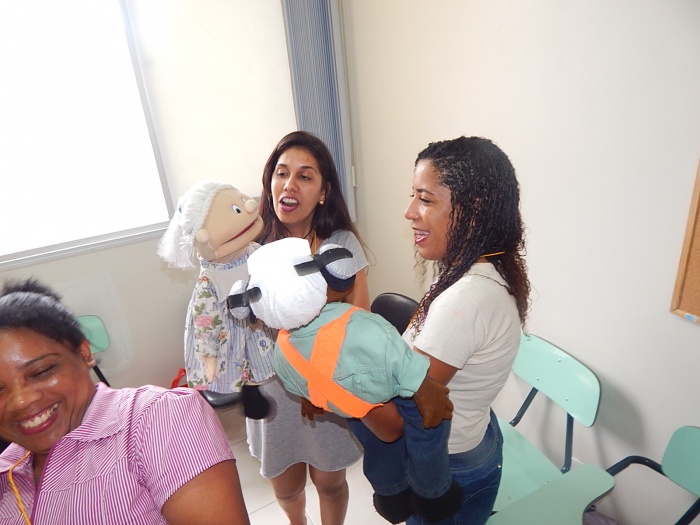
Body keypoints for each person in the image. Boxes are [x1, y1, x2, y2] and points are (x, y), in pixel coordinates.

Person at [0, 278, 251, 525]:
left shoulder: (158, 418)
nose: (20, 401)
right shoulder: (6, 471)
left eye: (42, 371)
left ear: (84, 353)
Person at [400, 136, 531, 524]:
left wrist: (337, 389)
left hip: (449, 463)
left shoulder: (466, 299)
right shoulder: (477, 268)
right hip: (474, 435)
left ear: (471, 211)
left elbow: (407, 407)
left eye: (425, 199)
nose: (409, 212)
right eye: (413, 196)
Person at [246, 130, 367, 525]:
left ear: (323, 192)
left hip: (326, 384)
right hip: (273, 389)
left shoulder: (339, 246)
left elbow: (359, 319)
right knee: (287, 488)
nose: (289, 185)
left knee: (330, 483)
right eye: (281, 173)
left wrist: (321, 384)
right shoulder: (250, 248)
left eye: (304, 176)